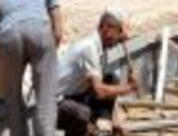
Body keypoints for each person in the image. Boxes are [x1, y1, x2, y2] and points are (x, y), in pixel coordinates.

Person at [0, 0, 64, 136]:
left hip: (8, 36)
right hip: (39, 30)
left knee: (13, 100)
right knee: (45, 101)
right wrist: (47, 60)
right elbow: (59, 31)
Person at [57, 7, 137, 136]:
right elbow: (100, 91)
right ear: (106, 29)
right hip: (54, 103)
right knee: (82, 113)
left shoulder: (100, 48)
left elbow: (106, 88)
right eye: (120, 31)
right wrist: (129, 87)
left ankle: (103, 128)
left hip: (73, 97)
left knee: (110, 79)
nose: (121, 38)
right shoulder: (89, 47)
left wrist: (115, 121)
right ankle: (92, 130)